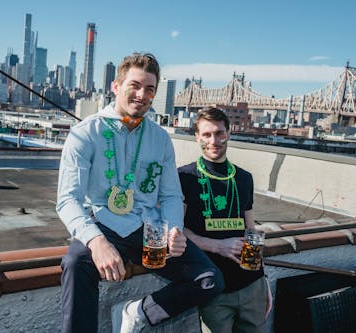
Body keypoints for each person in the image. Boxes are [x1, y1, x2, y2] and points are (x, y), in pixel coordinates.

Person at [56, 53, 224, 333]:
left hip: (151, 231)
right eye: (134, 85)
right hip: (105, 224)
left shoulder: (160, 139)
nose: (141, 94)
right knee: (75, 263)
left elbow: (171, 196)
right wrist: (96, 242)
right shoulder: (85, 134)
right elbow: (67, 200)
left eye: (150, 89)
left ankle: (139, 313)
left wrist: (174, 231)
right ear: (116, 86)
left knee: (209, 279)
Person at [178, 107, 271, 333]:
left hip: (252, 287)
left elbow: (251, 231)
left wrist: (264, 279)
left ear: (229, 133)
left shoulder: (244, 178)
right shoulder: (184, 177)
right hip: (213, 290)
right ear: (197, 137)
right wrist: (217, 246)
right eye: (207, 135)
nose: (214, 140)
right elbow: (178, 231)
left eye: (219, 133)